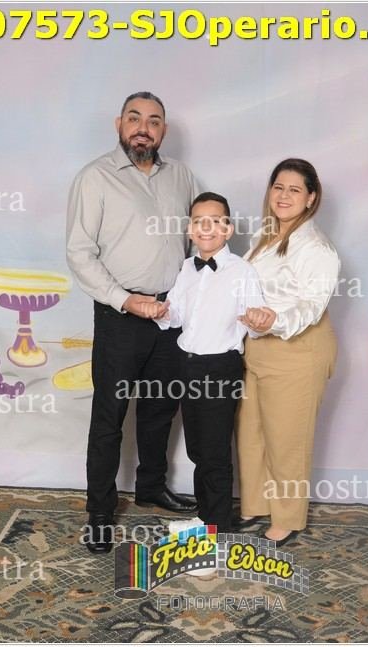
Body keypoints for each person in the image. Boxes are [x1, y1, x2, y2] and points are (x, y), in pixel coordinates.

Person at [66, 91, 198, 554]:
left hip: (169, 315)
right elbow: (79, 253)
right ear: (119, 124)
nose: (144, 128)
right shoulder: (95, 177)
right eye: (135, 118)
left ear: (163, 130)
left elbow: (194, 242)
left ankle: (151, 487)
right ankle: (100, 512)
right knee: (110, 415)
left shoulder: (181, 176)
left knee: (161, 408)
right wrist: (125, 300)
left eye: (154, 121)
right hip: (120, 316)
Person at [145, 192, 266, 535]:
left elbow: (255, 326)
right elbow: (176, 315)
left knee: (214, 451)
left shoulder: (242, 271)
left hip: (220, 368)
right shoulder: (187, 267)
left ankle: (218, 528)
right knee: (197, 446)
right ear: (189, 229)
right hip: (187, 366)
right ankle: (205, 517)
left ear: (228, 229)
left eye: (215, 221)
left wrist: (258, 321)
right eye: (199, 221)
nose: (206, 227)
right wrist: (160, 312)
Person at [235, 158, 340, 547]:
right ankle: (257, 504)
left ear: (311, 198)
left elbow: (310, 306)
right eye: (278, 187)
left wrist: (273, 319)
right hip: (257, 347)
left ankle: (287, 517)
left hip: (297, 349)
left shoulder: (318, 249)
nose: (283, 196)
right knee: (251, 432)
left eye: (294, 189)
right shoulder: (265, 235)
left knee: (287, 439)